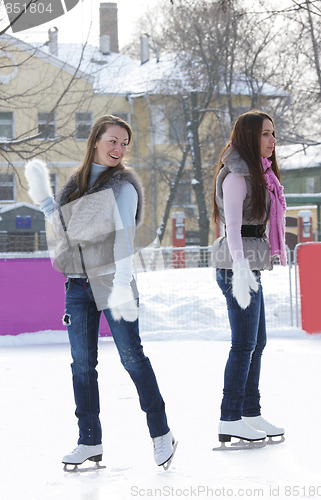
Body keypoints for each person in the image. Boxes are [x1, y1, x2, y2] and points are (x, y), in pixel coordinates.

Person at [24, 114, 176, 469]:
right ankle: (89, 441)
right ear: (95, 140)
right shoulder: (74, 185)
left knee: (132, 358)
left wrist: (123, 284)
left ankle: (161, 433)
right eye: (112, 140)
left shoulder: (122, 185)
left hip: (113, 280)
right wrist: (44, 197)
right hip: (77, 285)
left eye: (124, 143)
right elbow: (64, 229)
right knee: (82, 365)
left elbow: (125, 236)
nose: (118, 148)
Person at [212, 110, 286, 448]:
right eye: (266, 134)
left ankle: (251, 413)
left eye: (273, 134)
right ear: (248, 136)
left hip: (248, 265)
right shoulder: (237, 176)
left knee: (258, 342)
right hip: (235, 267)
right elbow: (232, 230)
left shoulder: (263, 174)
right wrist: (241, 269)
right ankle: (230, 418)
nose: (272, 140)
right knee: (243, 344)